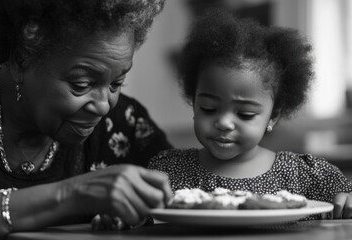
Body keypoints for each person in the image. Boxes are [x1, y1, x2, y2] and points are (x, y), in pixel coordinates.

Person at [0, 1, 174, 239]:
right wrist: (71, 195)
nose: (103, 105)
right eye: (81, 84)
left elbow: (186, 196)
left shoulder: (124, 123)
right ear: (22, 60)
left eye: (116, 83)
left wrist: (143, 214)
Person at [148, 9, 352, 219]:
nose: (224, 123)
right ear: (194, 103)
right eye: (208, 109)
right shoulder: (168, 171)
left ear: (273, 116)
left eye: (245, 114)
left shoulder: (306, 175)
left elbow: (347, 200)